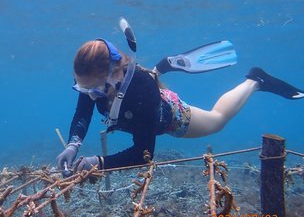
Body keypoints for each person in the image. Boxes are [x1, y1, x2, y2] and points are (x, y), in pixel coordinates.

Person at [56, 39, 303, 173]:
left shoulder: (141, 89)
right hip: (143, 108)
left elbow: (144, 153)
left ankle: (254, 81)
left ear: (116, 74)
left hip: (171, 116)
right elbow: (83, 112)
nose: (91, 96)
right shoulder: (92, 81)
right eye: (83, 89)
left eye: (96, 90)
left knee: (217, 120)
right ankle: (161, 68)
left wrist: (100, 162)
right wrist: (73, 144)